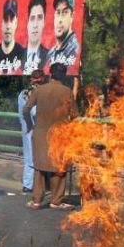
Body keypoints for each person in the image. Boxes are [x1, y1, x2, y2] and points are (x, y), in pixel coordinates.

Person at [22, 63, 77, 210]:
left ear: (50, 74)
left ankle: (36, 201)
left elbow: (26, 109)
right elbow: (75, 115)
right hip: (59, 135)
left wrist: (30, 125)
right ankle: (56, 201)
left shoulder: (40, 90)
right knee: (58, 167)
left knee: (39, 167)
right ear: (64, 75)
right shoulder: (67, 92)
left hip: (40, 134)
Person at [18, 71, 45, 195]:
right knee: (35, 157)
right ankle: (33, 185)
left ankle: (28, 184)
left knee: (30, 156)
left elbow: (22, 114)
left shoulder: (23, 93)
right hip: (34, 128)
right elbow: (31, 112)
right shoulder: (40, 92)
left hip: (27, 128)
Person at [48, 0, 79, 67]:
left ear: (72, 16)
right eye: (58, 12)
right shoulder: (50, 54)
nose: (60, 19)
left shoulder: (75, 50)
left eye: (65, 12)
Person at [0, 0, 26, 74]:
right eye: (5, 20)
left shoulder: (22, 53)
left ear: (16, 23)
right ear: (1, 23)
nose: (8, 26)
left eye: (11, 20)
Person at [24, 0, 50, 73]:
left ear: (44, 21)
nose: (35, 25)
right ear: (27, 23)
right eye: (32, 18)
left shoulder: (49, 57)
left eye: (39, 18)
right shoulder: (17, 56)